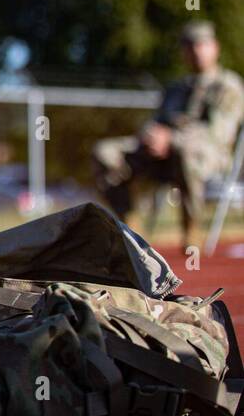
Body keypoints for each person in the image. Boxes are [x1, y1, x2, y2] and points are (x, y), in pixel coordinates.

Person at [93, 21, 244, 247]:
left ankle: (192, 231)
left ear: (215, 47)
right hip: (163, 158)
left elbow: (218, 134)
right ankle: (133, 229)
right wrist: (151, 135)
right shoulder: (176, 88)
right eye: (189, 46)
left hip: (207, 159)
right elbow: (156, 122)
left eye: (202, 44)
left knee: (184, 151)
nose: (196, 51)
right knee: (105, 152)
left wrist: (172, 139)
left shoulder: (228, 86)